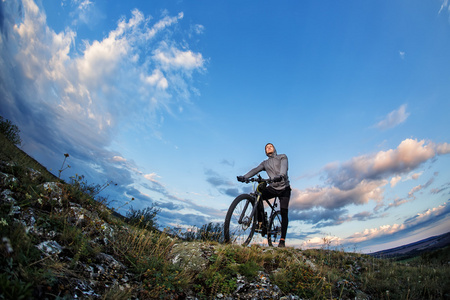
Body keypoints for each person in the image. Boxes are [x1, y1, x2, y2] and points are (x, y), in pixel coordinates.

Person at [237, 143, 291, 247]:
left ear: (274, 148)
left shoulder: (282, 157)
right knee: (258, 196)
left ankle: (282, 240)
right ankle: (261, 222)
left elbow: (284, 168)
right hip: (273, 187)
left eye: (270, 146)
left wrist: (281, 175)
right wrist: (245, 177)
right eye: (266, 147)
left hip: (284, 188)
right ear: (265, 151)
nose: (268, 148)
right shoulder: (265, 163)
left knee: (284, 212)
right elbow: (255, 170)